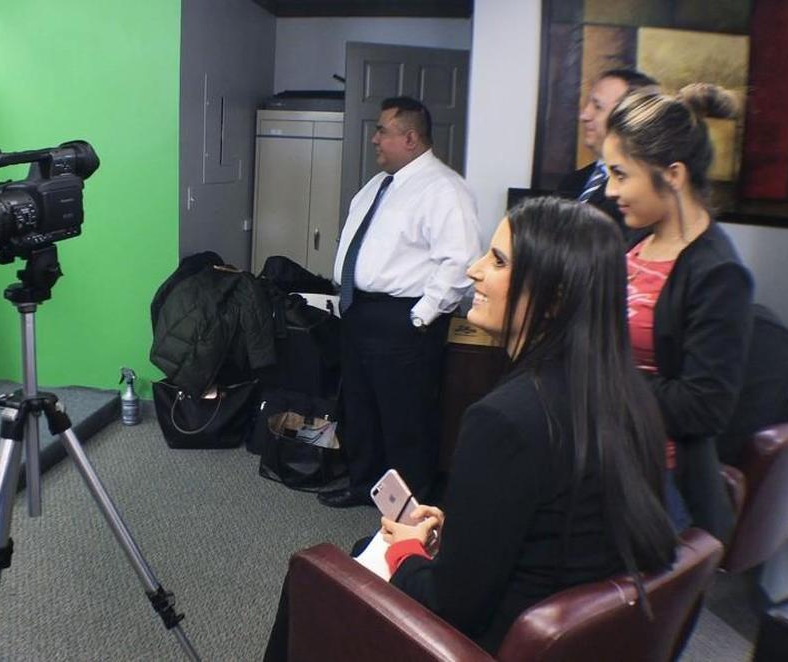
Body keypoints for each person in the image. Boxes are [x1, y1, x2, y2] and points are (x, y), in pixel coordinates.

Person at [265, 198, 677, 657]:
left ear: (553, 297)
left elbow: (451, 605)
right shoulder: (632, 398)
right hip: (572, 632)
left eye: (497, 260)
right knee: (370, 543)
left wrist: (406, 554)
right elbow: (560, 522)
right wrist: (461, 527)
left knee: (310, 574)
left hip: (480, 643)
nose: (474, 270)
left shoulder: (504, 420)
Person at [603, 84, 752, 542]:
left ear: (672, 174)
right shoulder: (636, 242)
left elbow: (703, 408)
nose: (611, 191)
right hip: (612, 457)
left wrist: (602, 378)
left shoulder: (718, 273)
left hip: (660, 483)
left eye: (621, 175)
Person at [318, 96, 481, 508]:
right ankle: (364, 486)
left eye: (382, 131)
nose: (374, 139)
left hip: (403, 320)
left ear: (409, 138)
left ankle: (411, 505)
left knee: (405, 418)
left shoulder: (445, 189)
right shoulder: (379, 184)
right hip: (361, 312)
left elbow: (460, 261)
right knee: (361, 408)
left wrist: (421, 318)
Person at [557, 68, 658, 238]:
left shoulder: (641, 194)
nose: (584, 115)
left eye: (597, 106)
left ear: (630, 117)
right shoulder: (572, 182)